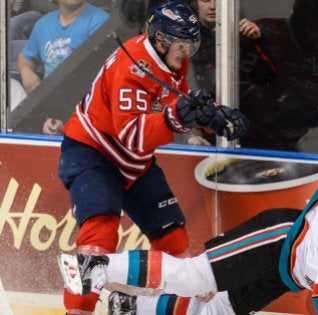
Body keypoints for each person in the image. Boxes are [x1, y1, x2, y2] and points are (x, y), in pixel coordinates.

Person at [56, 1, 248, 314]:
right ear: (159, 39)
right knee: (100, 232)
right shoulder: (132, 67)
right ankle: (78, 310)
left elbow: (180, 103)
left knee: (173, 235)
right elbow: (130, 134)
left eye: (190, 44)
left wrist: (210, 116)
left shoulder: (175, 60)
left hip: (136, 162)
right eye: (180, 44)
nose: (185, 51)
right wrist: (176, 118)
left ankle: (180, 306)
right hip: (94, 153)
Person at [60, 187, 318, 315]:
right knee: (196, 277)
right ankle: (96, 265)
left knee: (219, 310)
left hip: (290, 270)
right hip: (282, 236)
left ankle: (127, 308)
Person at [237, 0, 318, 151]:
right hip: (250, 135)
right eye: (315, 24)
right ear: (300, 17)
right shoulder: (262, 31)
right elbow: (226, 81)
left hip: (297, 139)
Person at [16, 0, 109, 135]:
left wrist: (66, 118)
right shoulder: (44, 24)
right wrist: (26, 71)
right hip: (49, 113)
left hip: (87, 115)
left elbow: (96, 81)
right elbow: (24, 57)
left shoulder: (100, 22)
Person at [184, 0, 261, 146]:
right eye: (205, 0)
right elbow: (172, 92)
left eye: (219, 1)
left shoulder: (244, 37)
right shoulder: (185, 42)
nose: (213, 6)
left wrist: (259, 38)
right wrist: (189, 134)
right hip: (207, 137)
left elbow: (269, 82)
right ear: (195, 3)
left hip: (250, 134)